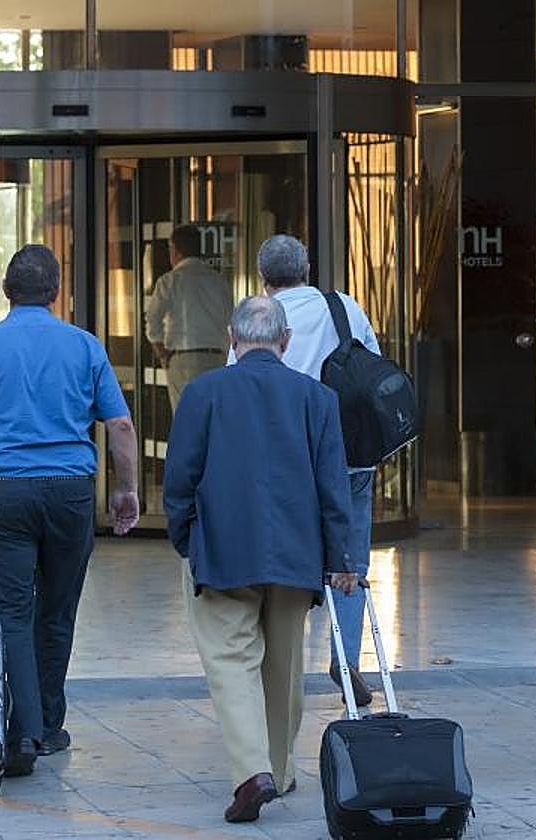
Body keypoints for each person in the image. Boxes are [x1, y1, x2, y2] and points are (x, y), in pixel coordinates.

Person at [0, 244, 140, 778]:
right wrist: (126, 489)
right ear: (56, 291)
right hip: (70, 491)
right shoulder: (85, 347)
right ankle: (48, 723)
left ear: (6, 291)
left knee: (10, 614)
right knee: (57, 612)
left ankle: (22, 732)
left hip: (4, 494)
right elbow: (120, 426)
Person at [164, 296, 356, 824]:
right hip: (297, 555)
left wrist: (185, 538)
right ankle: (280, 768)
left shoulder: (203, 393)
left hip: (223, 549)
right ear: (286, 341)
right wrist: (341, 555)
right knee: (285, 666)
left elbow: (180, 478)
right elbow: (333, 486)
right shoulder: (317, 398)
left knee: (231, 660)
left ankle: (253, 773)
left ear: (231, 336)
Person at [232, 234, 381, 707]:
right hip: (350, 453)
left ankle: (280, 658)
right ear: (308, 266)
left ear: (263, 276)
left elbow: (239, 383)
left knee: (285, 556)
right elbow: (374, 365)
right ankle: (347, 657)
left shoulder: (256, 318)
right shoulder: (344, 308)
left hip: (286, 457)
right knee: (350, 556)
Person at [145, 224, 233, 410]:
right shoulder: (219, 281)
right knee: (214, 417)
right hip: (217, 358)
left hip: (183, 358)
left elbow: (152, 321)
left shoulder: (169, 281)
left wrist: (161, 351)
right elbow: (230, 321)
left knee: (186, 420)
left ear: (175, 251)